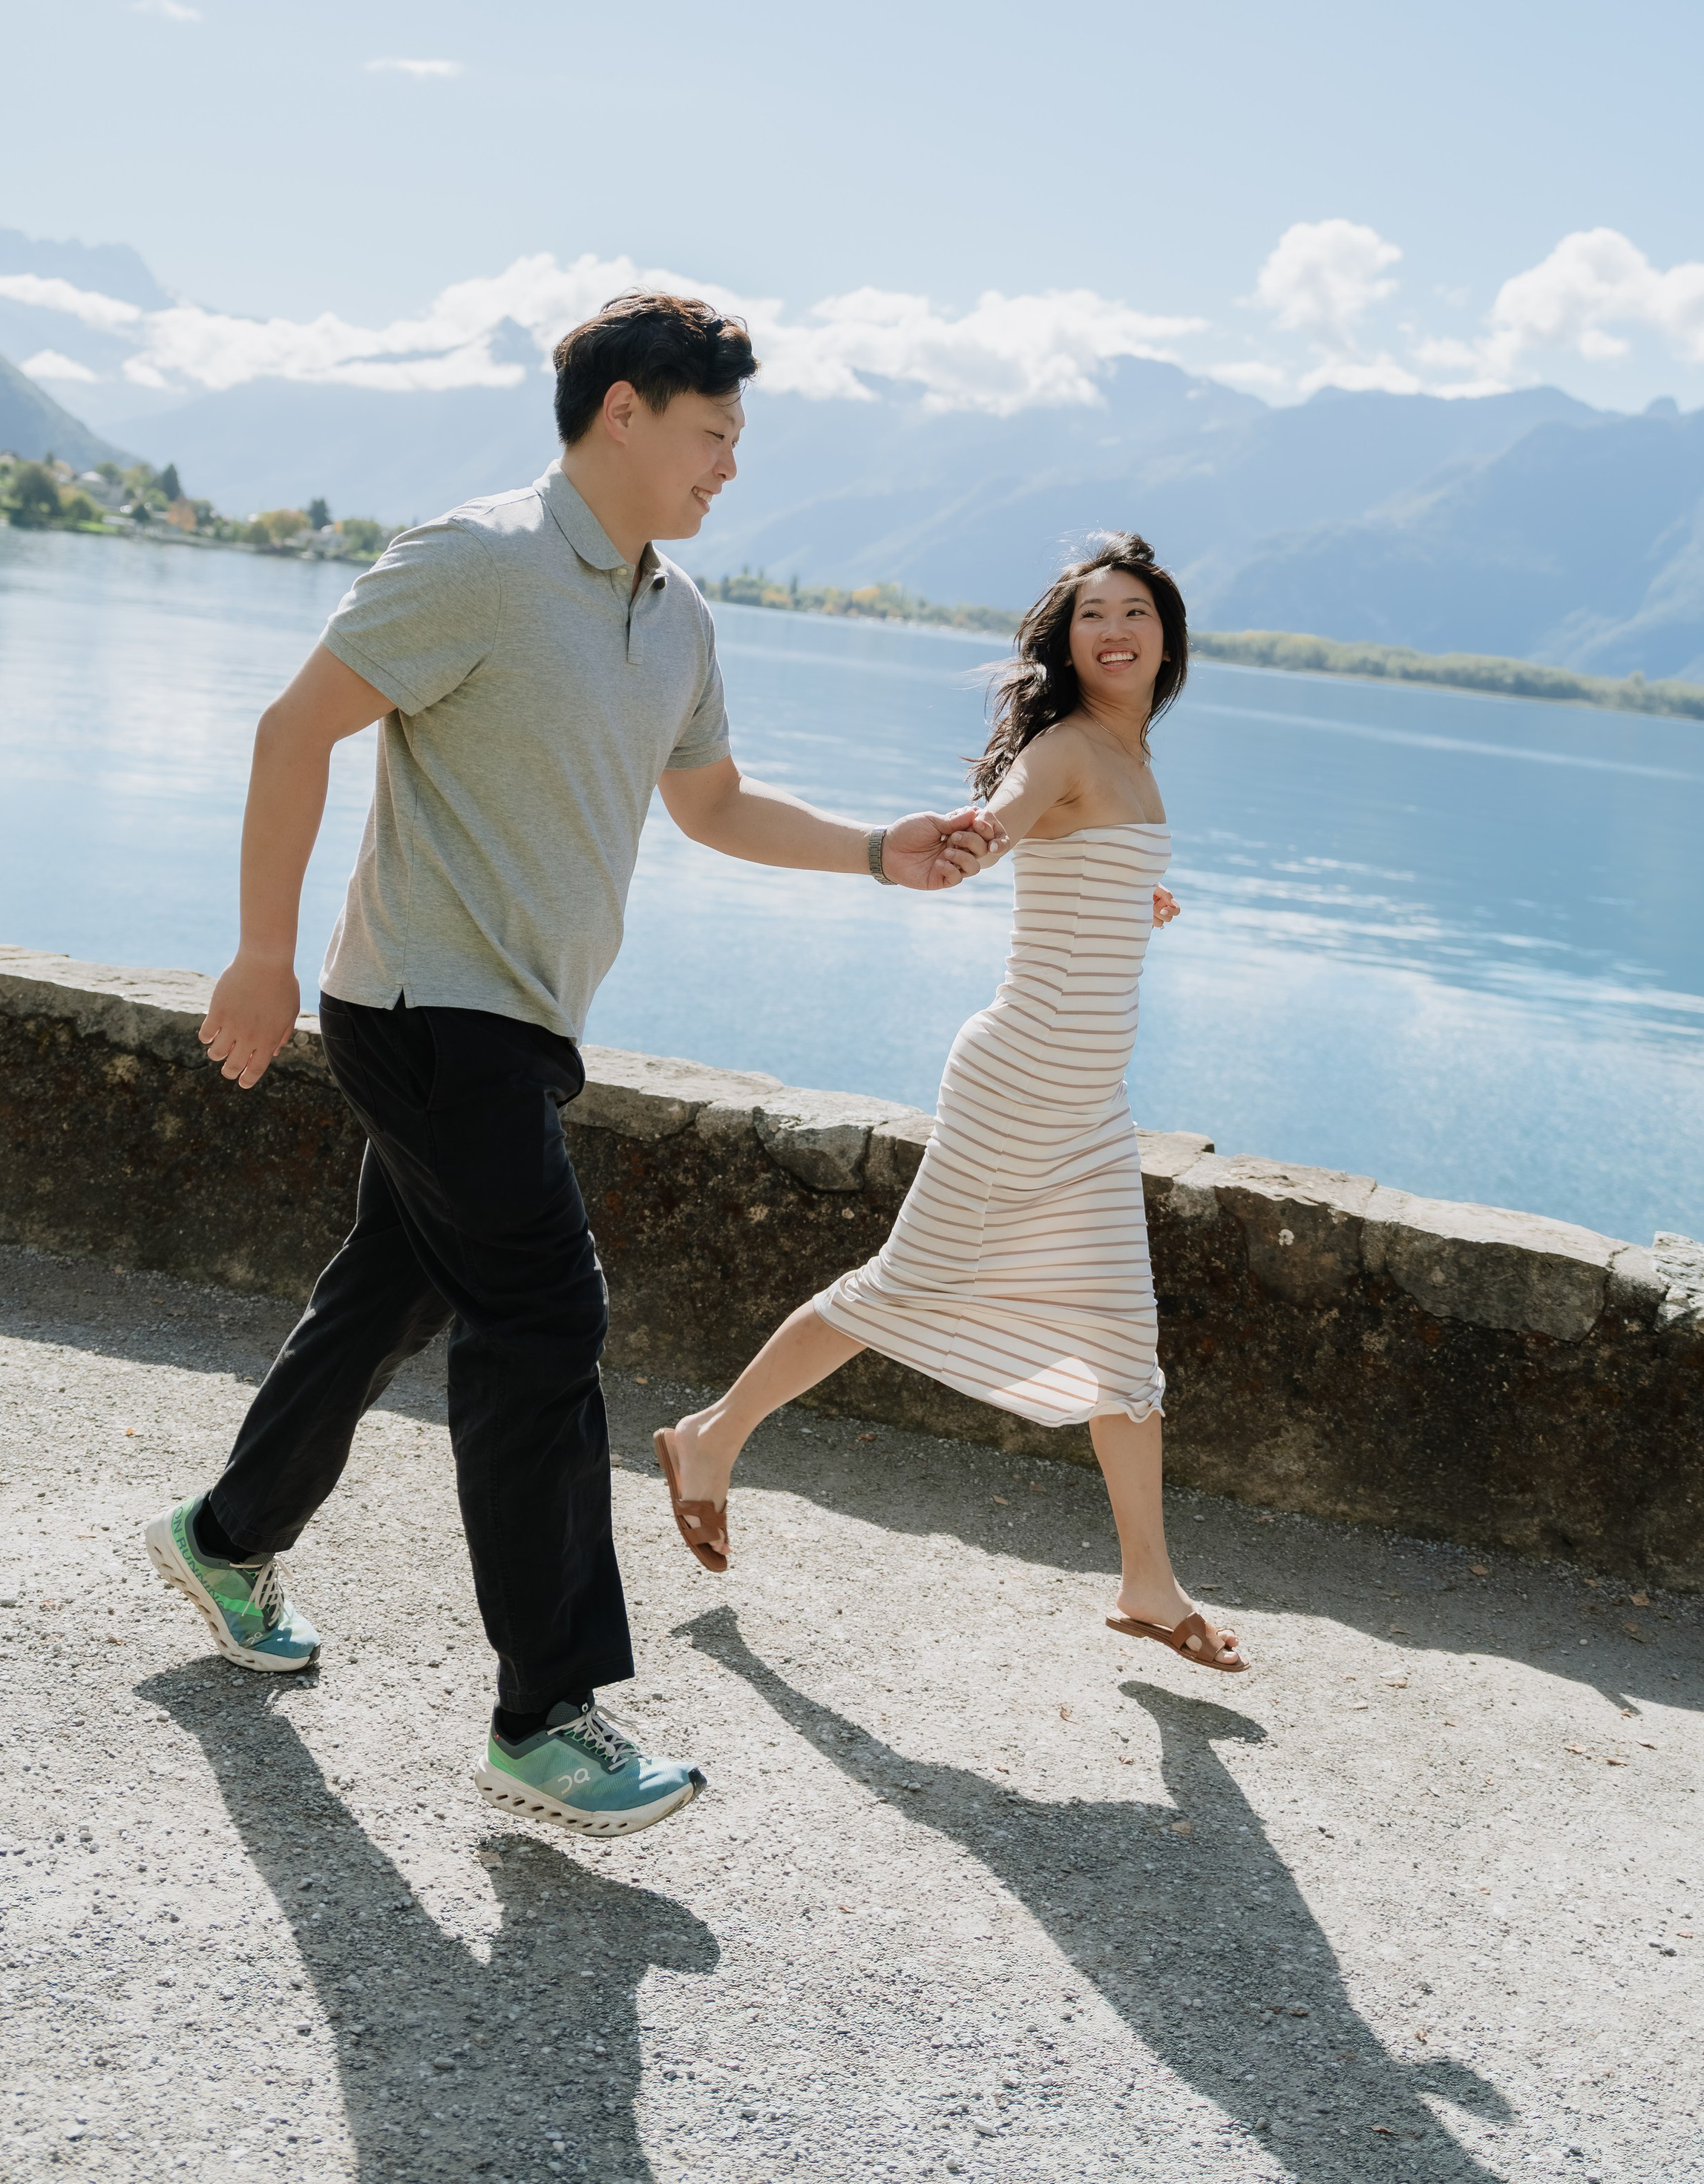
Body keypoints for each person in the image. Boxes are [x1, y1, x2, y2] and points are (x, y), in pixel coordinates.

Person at [145, 290, 999, 1837]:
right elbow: (292, 732)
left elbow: (714, 803)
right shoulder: (473, 561)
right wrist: (263, 955)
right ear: (621, 409)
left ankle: (224, 1534)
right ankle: (544, 1715)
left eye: (737, 439)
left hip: (526, 1024)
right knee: (544, 1313)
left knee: (389, 1295)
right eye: (711, 433)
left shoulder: (673, 617)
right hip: (417, 1007)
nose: (729, 465)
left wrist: (884, 852)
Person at [649, 531, 1248, 1673]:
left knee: (1126, 1341)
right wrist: (972, 840)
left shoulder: (1131, 755)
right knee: (899, 1289)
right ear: (1066, 646)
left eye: (1135, 614)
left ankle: (1146, 1582)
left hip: (1088, 1101)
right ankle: (710, 1439)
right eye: (1092, 617)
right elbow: (1018, 811)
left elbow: (1089, 861)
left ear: (1166, 637)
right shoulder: (1072, 745)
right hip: (1021, 1082)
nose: (1115, 630)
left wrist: (1137, 894)